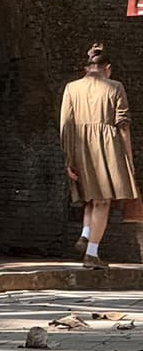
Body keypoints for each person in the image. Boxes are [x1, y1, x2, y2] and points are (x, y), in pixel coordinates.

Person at [60, 42, 139, 269]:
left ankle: (86, 233)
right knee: (103, 201)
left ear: (87, 68)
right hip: (109, 147)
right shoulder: (115, 87)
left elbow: (66, 126)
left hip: (80, 148)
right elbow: (123, 126)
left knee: (93, 197)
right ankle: (92, 253)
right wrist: (128, 159)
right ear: (108, 68)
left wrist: (68, 159)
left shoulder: (71, 88)